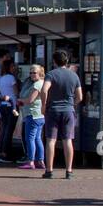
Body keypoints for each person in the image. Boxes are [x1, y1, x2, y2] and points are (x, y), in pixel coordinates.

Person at [40, 50, 82, 180]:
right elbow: (80, 97)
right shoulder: (74, 76)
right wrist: (72, 105)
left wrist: (44, 104)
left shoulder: (51, 74)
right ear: (67, 61)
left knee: (51, 140)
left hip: (53, 110)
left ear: (54, 61)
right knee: (67, 140)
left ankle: (49, 170)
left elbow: (44, 89)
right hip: (68, 111)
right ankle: (69, 171)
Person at [17, 65, 46, 170]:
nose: (32, 75)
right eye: (30, 72)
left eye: (34, 73)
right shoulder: (41, 83)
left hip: (33, 115)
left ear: (40, 73)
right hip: (39, 115)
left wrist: (20, 100)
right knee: (37, 138)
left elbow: (30, 100)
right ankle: (40, 161)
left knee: (30, 138)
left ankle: (31, 161)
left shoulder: (37, 85)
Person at [0, 57, 20, 163]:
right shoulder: (11, 78)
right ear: (9, 67)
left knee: (4, 129)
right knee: (9, 130)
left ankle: (0, 152)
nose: (14, 67)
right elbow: (16, 92)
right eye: (13, 66)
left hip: (3, 106)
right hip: (12, 105)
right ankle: (6, 154)